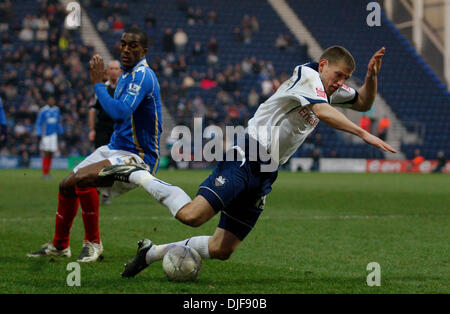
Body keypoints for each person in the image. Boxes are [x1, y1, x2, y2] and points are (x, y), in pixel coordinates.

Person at [98, 46, 396, 277]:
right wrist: (362, 133)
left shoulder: (330, 89)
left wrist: (372, 75)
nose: (341, 83)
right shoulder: (308, 76)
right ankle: (137, 174)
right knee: (191, 216)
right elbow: (321, 111)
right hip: (247, 156)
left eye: (346, 78)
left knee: (222, 249)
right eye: (338, 75)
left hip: (267, 172)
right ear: (323, 66)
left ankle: (150, 253)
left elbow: (364, 102)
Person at [27, 27, 163, 263]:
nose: (126, 49)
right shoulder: (126, 74)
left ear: (144, 51)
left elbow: (120, 113)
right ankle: (60, 246)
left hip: (140, 156)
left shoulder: (143, 76)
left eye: (133, 46)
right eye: (123, 44)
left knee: (83, 179)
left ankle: (93, 244)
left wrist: (98, 85)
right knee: (66, 185)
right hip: (115, 147)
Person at [88, 59, 121, 204]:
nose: (113, 71)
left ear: (120, 71)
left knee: (113, 162)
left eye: (116, 68)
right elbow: (93, 110)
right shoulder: (101, 89)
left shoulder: (124, 88)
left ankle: (106, 193)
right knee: (99, 160)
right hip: (101, 128)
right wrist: (92, 129)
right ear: (107, 71)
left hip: (117, 130)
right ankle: (95, 189)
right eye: (111, 68)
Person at [35, 96, 63, 179]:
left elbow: (58, 121)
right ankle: (45, 173)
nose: (51, 101)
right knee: (46, 153)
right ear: (47, 101)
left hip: (54, 135)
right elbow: (39, 122)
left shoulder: (57, 110)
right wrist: (38, 132)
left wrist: (61, 131)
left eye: (53, 100)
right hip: (45, 135)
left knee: (51, 154)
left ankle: (48, 173)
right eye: (50, 100)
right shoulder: (43, 110)